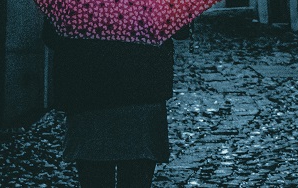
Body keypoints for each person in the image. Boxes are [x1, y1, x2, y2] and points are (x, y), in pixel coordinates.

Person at [42, 19, 190, 188]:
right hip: (142, 95)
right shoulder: (156, 1)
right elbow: (181, 31)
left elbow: (51, 37)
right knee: (136, 177)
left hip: (88, 95)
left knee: (94, 176)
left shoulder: (74, 3)